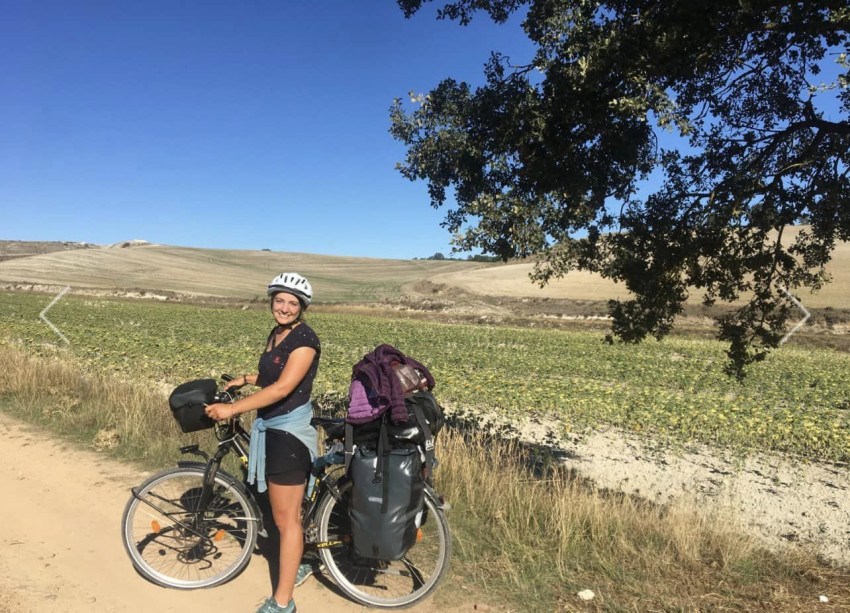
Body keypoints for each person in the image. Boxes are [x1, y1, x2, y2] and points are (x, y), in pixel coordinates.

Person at [205, 272, 320, 613]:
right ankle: (300, 562)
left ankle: (283, 603)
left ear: (302, 308)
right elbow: (271, 376)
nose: (284, 308)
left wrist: (232, 409)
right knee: (282, 511)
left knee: (286, 521)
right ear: (271, 301)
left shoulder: (305, 340)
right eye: (279, 300)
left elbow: (283, 388)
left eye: (292, 303)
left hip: (288, 434)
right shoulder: (277, 333)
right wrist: (243, 379)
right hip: (271, 426)